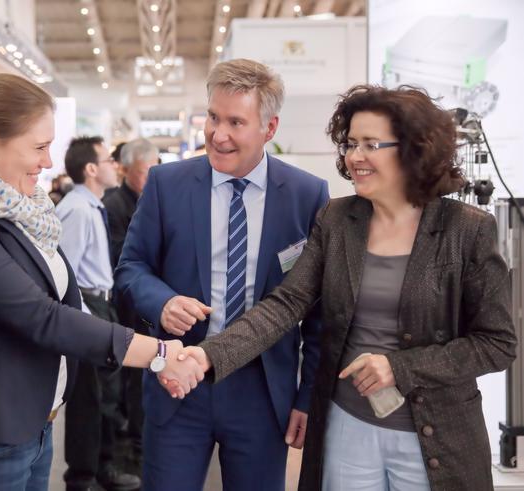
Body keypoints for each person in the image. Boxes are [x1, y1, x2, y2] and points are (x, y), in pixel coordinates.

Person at [180, 85, 518, 491]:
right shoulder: (339, 220)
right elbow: (287, 304)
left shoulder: (466, 229)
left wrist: (400, 367)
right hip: (348, 428)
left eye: (371, 144)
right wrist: (207, 354)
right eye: (351, 143)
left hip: (438, 434)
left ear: (414, 149)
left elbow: (496, 343)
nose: (355, 157)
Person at [0, 73, 203, 491]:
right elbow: (41, 316)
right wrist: (156, 354)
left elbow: (66, 303)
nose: (48, 163)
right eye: (40, 147)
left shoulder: (22, 211)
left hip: (33, 423)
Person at [115, 58, 329, 490]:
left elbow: (321, 310)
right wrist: (163, 301)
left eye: (235, 121)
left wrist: (309, 397)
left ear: (269, 129)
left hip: (263, 391)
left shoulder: (307, 195)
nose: (218, 133)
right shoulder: (166, 184)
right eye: (213, 117)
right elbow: (131, 268)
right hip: (178, 383)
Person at [56, 136, 139, 491]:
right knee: (90, 397)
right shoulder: (76, 209)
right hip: (88, 305)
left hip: (100, 304)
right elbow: (65, 274)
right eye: (107, 160)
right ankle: (84, 475)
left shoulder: (91, 205)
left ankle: (102, 465)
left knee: (106, 392)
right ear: (91, 169)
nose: (113, 166)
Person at [102, 137, 160, 468]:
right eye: (143, 172)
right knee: (128, 376)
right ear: (125, 170)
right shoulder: (113, 205)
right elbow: (120, 259)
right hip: (123, 305)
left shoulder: (157, 200)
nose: (150, 178)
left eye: (155, 171)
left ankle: (139, 435)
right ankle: (133, 441)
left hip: (150, 306)